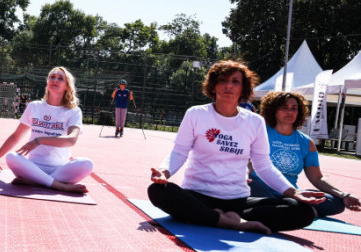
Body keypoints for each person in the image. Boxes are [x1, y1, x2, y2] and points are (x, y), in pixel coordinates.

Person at [147, 60, 322, 234]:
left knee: (302, 210)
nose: (229, 85)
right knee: (158, 191)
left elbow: (263, 166)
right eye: (223, 80)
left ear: (243, 89)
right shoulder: (196, 114)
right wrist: (164, 172)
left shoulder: (255, 121)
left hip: (237, 201)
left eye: (235, 81)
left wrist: (294, 192)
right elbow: (179, 152)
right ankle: (229, 222)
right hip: (198, 196)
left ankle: (211, 217)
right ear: (213, 86)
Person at [249, 91, 358, 217]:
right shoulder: (260, 133)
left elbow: (317, 178)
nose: (290, 112)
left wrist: (344, 195)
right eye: (284, 108)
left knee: (335, 203)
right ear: (273, 110)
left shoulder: (306, 142)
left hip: (292, 193)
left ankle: (288, 209)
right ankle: (295, 210)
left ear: (299, 112)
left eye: (294, 108)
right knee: (251, 186)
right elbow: (248, 165)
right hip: (261, 189)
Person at [0, 67, 93, 194]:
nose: (55, 80)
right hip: (33, 167)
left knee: (87, 164)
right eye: (52, 77)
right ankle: (59, 185)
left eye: (60, 78)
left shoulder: (73, 111)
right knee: (11, 157)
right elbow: (16, 137)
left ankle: (38, 181)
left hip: (60, 169)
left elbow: (71, 140)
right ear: (48, 82)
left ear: (67, 86)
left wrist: (39, 141)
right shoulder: (34, 106)